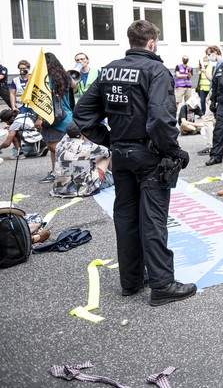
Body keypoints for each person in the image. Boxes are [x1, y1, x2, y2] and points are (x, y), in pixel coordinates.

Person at [74, 19, 195, 307]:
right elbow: (160, 119)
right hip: (149, 155)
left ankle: (131, 281)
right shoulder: (156, 70)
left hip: (122, 156)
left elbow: (82, 114)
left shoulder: (109, 70)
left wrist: (111, 139)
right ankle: (162, 284)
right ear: (152, 43)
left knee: (126, 218)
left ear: (131, 42)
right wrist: (174, 151)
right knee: (153, 220)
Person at [38, 53, 74, 184]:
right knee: (61, 146)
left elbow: (43, 101)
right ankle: (54, 172)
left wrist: (40, 119)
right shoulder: (66, 77)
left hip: (53, 119)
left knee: (53, 146)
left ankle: (68, 170)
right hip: (67, 116)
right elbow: (75, 88)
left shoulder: (45, 80)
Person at [52, 122, 112, 198]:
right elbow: (107, 152)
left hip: (60, 189)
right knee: (105, 156)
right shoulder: (89, 146)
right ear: (82, 133)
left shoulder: (59, 145)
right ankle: (110, 177)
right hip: (83, 190)